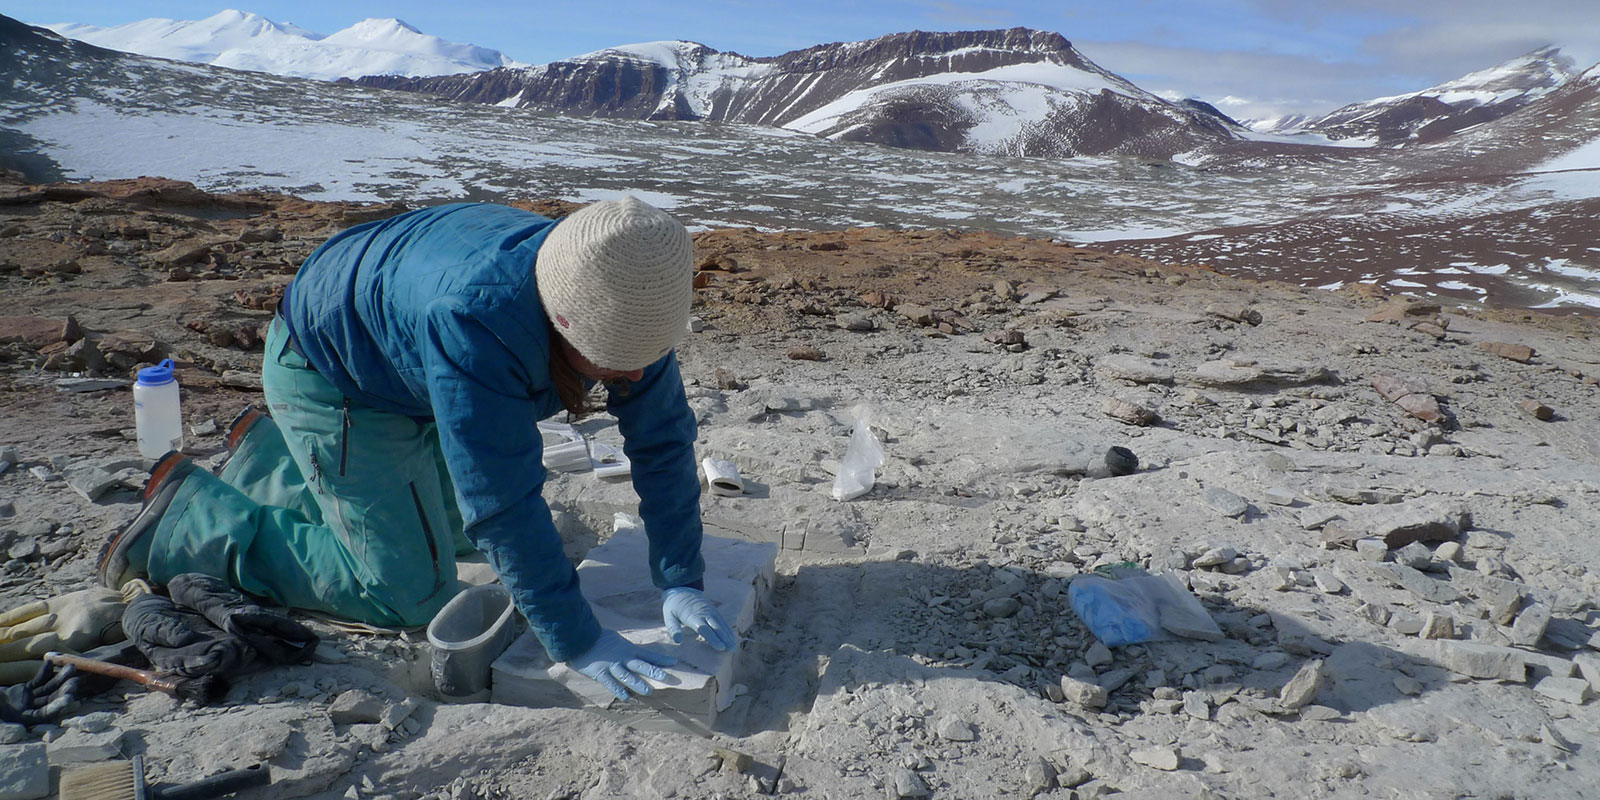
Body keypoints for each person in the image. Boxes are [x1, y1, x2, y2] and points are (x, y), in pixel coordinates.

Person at [98, 197, 737, 700]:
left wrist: (681, 577)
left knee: (461, 537)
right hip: (335, 373)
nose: (629, 376)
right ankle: (185, 523)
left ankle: (272, 461)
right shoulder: (480, 316)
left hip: (405, 358)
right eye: (612, 362)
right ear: (566, 319)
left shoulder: (621, 287)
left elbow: (662, 442)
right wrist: (576, 640)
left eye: (640, 360)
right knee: (407, 591)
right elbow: (503, 502)